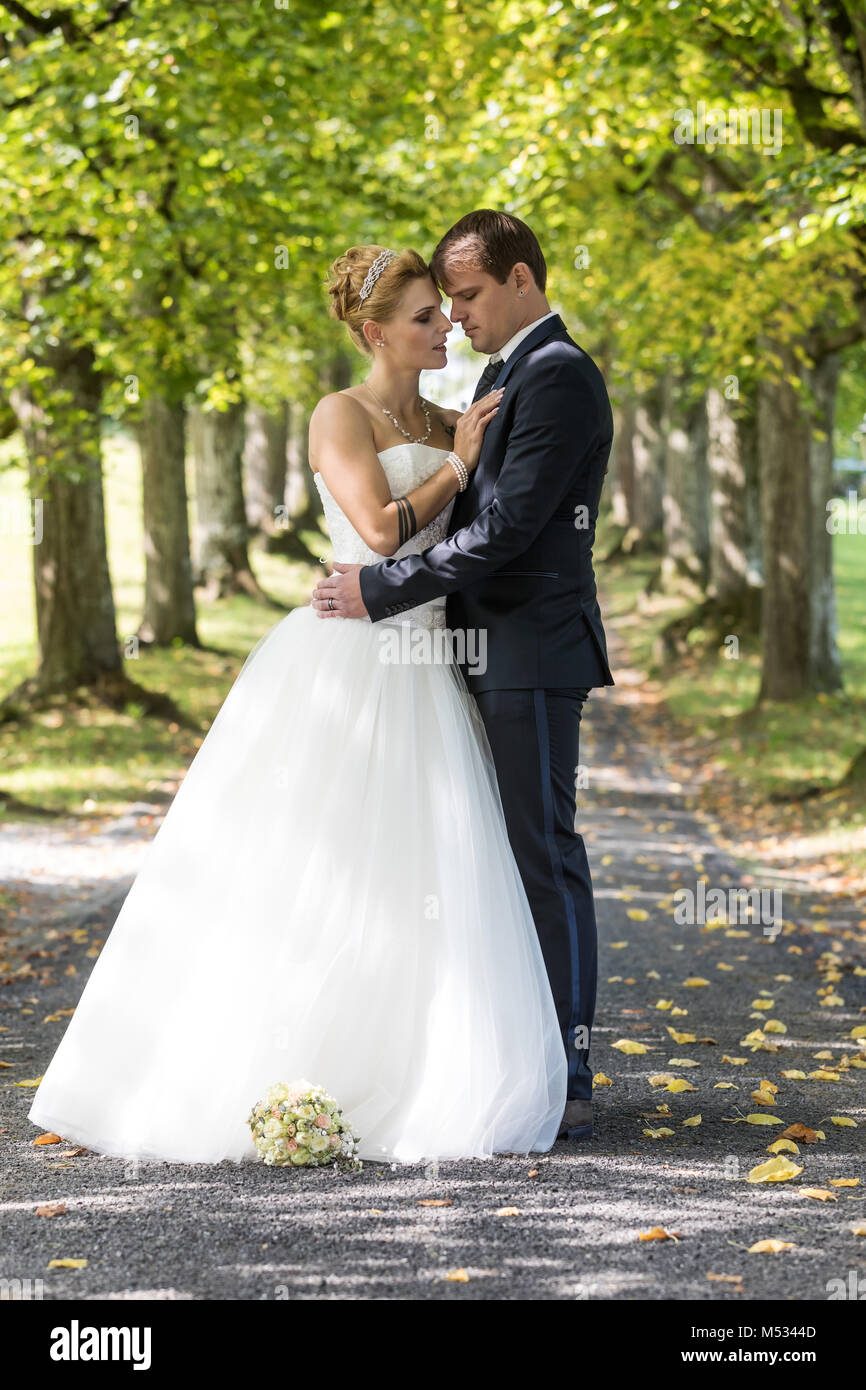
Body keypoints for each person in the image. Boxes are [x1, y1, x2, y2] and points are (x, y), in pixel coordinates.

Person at [26, 242, 567, 1166]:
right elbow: (382, 532)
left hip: (431, 658)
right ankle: (251, 1066)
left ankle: (419, 1070)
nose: (445, 326)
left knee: (423, 873)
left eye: (447, 309)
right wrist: (457, 464)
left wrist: (466, 453)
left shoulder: (450, 418)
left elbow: (486, 534)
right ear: (373, 332)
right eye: (424, 316)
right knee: (307, 864)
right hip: (347, 656)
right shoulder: (340, 414)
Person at [312, 211, 615, 1141]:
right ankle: (477, 1051)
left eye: (468, 299)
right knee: (459, 858)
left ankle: (563, 1068)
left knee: (539, 855)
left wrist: (384, 590)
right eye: (435, 308)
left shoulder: (553, 375)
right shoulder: (492, 381)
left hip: (520, 648)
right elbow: (435, 506)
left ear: (523, 279)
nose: (454, 319)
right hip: (453, 651)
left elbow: (509, 529)